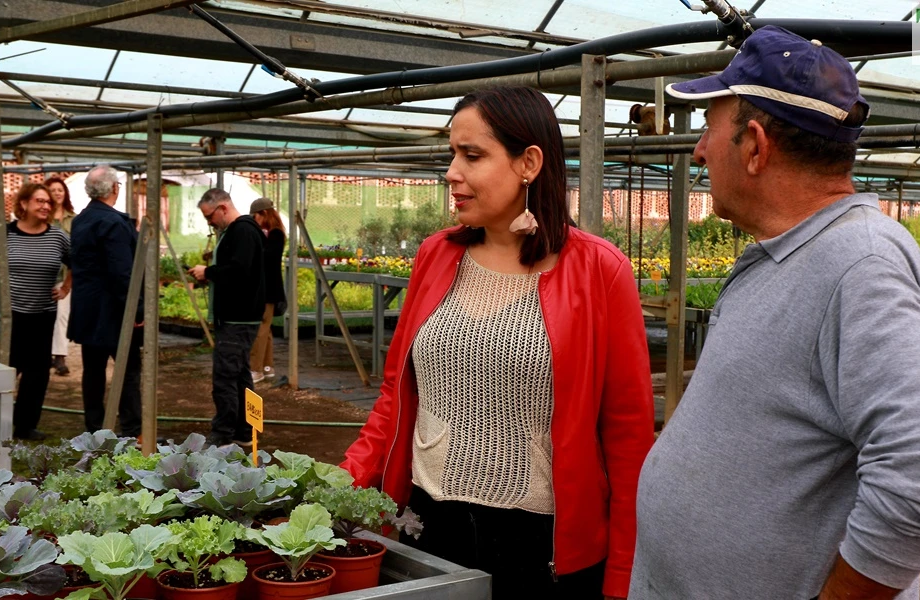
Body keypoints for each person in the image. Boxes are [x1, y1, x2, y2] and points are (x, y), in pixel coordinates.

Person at [630, 26, 920, 600]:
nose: (697, 149)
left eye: (710, 128)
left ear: (755, 147)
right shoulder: (790, 252)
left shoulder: (859, 263)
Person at [340, 86, 654, 600]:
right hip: (428, 523)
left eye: (472, 155)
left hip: (539, 550)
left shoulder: (599, 269)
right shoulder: (436, 256)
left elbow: (628, 440)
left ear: (529, 162)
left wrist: (622, 577)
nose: (451, 171)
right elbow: (393, 401)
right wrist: (338, 489)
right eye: (451, 153)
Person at [0, 182, 71, 441]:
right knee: (8, 366)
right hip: (9, 313)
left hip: (43, 312)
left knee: (37, 372)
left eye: (48, 202)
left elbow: (78, 261)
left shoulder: (57, 237)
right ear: (24, 204)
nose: (46, 206)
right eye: (40, 201)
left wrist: (66, 287)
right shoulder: (4, 234)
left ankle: (26, 425)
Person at [68, 165, 142, 438]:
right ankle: (132, 428)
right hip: (114, 310)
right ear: (114, 189)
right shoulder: (113, 222)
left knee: (93, 371)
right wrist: (137, 308)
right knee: (129, 370)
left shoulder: (81, 220)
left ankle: (95, 427)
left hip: (88, 309)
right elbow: (122, 272)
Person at [188, 189, 265, 448]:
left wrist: (208, 271)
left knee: (224, 376)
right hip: (239, 317)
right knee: (239, 374)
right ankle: (244, 431)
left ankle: (223, 433)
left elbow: (240, 271)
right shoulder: (240, 231)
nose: (209, 222)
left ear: (222, 208)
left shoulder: (242, 231)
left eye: (209, 216)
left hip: (238, 318)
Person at [247, 197, 286, 384]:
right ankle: (267, 367)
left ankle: (255, 369)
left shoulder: (275, 234)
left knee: (260, 329)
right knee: (266, 330)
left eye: (255, 216)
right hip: (266, 288)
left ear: (263, 214)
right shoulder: (270, 234)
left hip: (268, 289)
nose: (254, 220)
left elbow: (267, 258)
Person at [45, 177, 75, 377]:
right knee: (44, 316)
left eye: (60, 189)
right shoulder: (41, 216)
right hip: (42, 275)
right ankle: (44, 353)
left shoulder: (73, 219)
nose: (57, 193)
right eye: (53, 190)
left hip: (64, 275)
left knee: (62, 315)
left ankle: (60, 356)